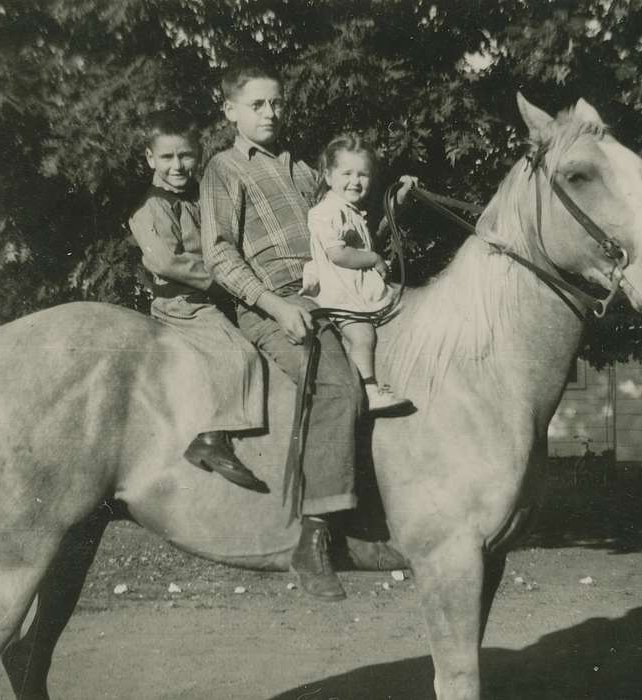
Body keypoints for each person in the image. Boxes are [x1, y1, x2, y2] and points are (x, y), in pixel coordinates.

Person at [200, 61, 368, 601]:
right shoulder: (224, 170)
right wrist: (274, 304)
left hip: (328, 293)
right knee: (339, 387)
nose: (271, 112)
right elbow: (219, 254)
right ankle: (313, 538)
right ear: (230, 111)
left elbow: (344, 211)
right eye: (257, 104)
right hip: (273, 304)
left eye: (276, 103)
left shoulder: (301, 170)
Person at [128, 109, 268, 494]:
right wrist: (227, 281)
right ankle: (210, 435)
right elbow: (166, 261)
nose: (178, 165)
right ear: (150, 159)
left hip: (213, 294)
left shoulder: (201, 198)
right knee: (238, 352)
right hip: (185, 303)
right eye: (168, 157)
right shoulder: (153, 210)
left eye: (186, 155)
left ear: (198, 155)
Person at [302, 133, 414, 412]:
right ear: (328, 176)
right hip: (341, 296)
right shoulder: (326, 211)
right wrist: (374, 258)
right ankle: (370, 390)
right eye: (347, 173)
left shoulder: (350, 209)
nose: (355, 181)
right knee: (363, 336)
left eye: (363, 174)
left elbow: (375, 230)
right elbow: (337, 254)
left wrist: (400, 197)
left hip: (359, 292)